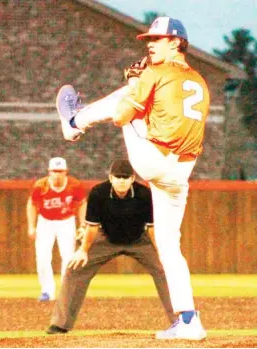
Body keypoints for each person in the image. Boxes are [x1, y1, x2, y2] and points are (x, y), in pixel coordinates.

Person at [55, 16, 209, 340]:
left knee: (127, 99)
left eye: (157, 39)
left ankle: (74, 123)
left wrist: (137, 86)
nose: (149, 44)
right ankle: (189, 321)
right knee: (169, 246)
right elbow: (174, 116)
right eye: (148, 40)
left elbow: (123, 116)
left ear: (176, 42)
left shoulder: (156, 72)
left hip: (156, 162)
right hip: (180, 173)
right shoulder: (199, 81)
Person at [46, 159, 176, 334]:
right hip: (106, 238)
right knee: (74, 269)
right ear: (110, 178)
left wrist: (161, 253)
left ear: (133, 179)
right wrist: (83, 251)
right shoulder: (99, 193)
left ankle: (180, 322)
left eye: (125, 177)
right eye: (118, 177)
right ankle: (60, 324)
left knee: (166, 269)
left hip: (139, 239)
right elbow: (92, 226)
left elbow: (152, 228)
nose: (121, 180)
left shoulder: (145, 194)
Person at [26, 157, 87, 301]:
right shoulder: (41, 186)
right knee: (42, 257)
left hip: (66, 221)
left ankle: (66, 290)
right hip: (45, 221)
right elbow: (32, 204)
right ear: (49, 172)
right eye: (54, 171)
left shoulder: (74, 185)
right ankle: (47, 291)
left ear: (66, 172)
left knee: (68, 257)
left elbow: (82, 203)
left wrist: (82, 225)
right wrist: (31, 226)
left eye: (60, 171)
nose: (57, 174)